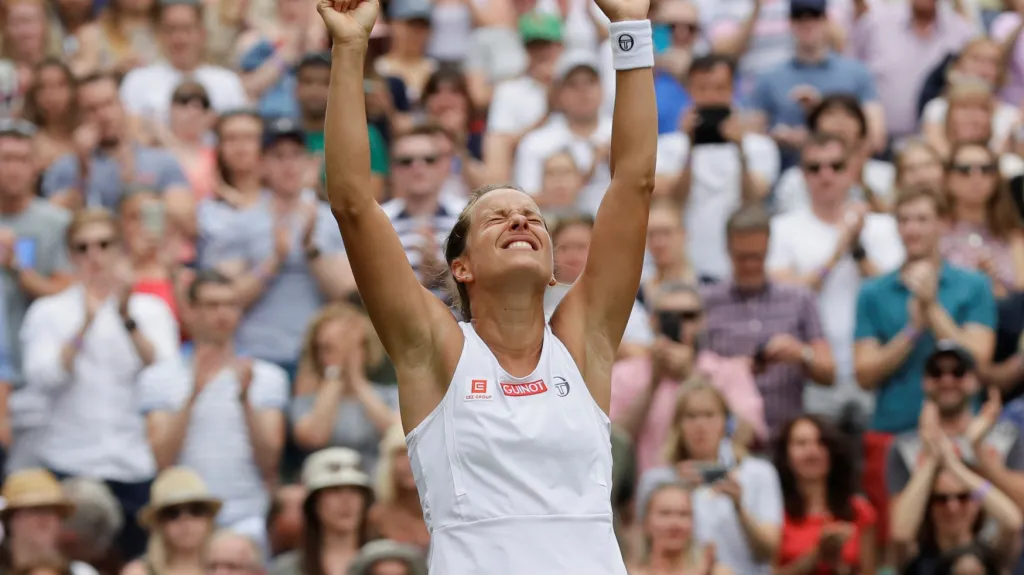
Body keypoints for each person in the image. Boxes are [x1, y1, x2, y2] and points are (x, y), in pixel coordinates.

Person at [318, 0, 655, 570]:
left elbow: (635, 181)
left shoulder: (583, 341)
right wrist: (351, 49)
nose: (522, 221)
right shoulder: (435, 350)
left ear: (552, 270)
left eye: (533, 218)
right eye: (497, 219)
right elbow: (353, 204)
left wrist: (630, 29)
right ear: (461, 268)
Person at [772, 416, 878, 574]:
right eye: (801, 444)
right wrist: (817, 555)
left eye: (821, 443)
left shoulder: (860, 511)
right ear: (785, 454)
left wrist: (838, 565)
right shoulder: (773, 513)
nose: (812, 451)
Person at [268, 448, 374, 575]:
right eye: (334, 490)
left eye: (355, 490)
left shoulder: (387, 563)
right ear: (314, 502)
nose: (346, 501)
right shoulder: (287, 570)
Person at [122, 467, 224, 575]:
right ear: (158, 523)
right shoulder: (138, 572)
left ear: (209, 519)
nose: (185, 520)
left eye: (196, 510)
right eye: (172, 513)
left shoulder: (230, 567)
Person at [0, 469, 99, 575]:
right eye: (36, 509)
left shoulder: (81, 572)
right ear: (10, 520)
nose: (46, 519)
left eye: (53, 511)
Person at [627, 482, 732, 575]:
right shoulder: (625, 571)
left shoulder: (717, 572)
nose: (675, 524)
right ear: (646, 522)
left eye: (683, 514)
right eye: (665, 513)